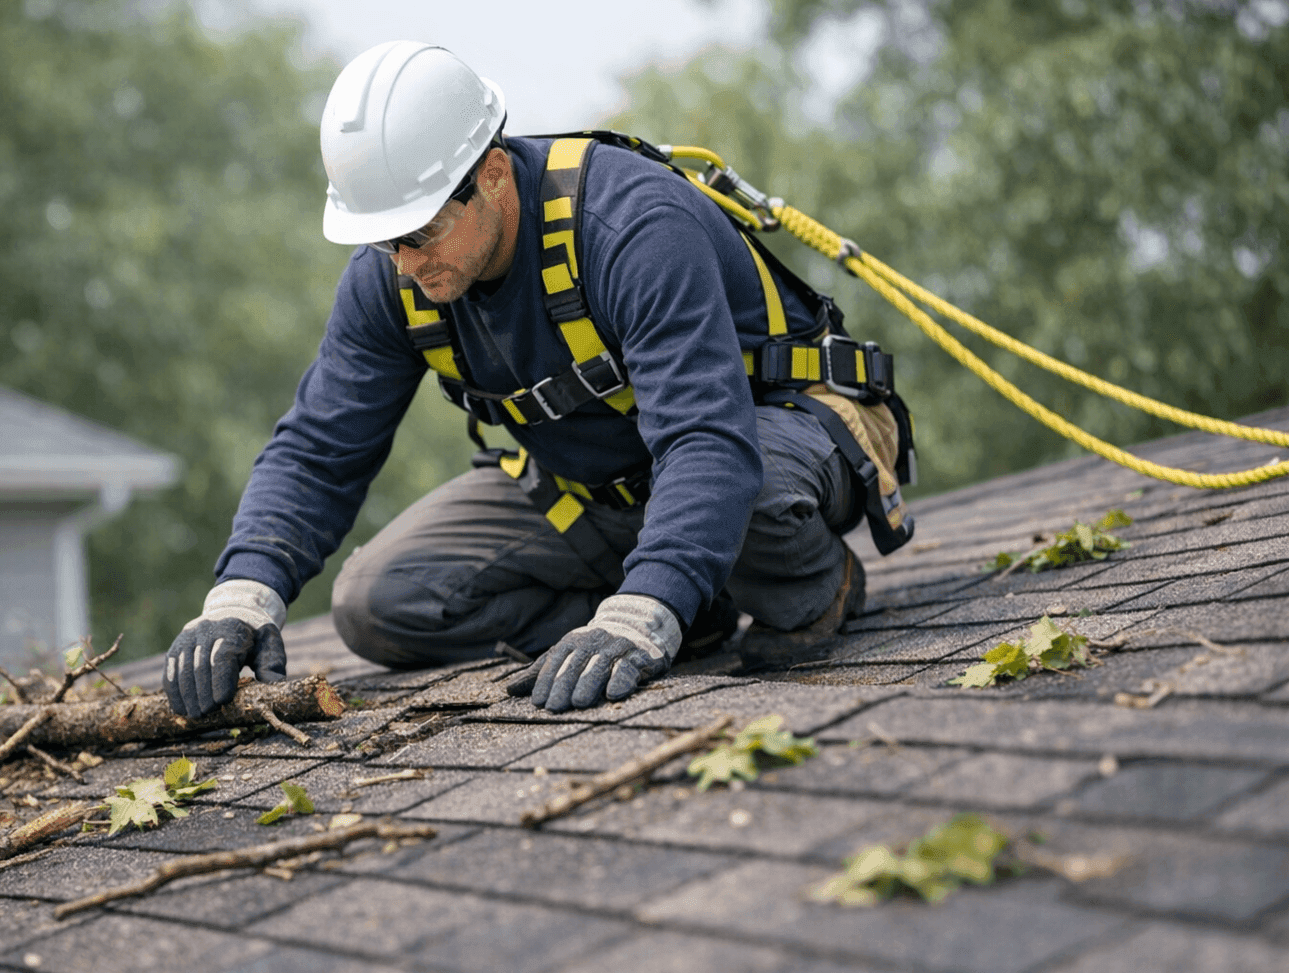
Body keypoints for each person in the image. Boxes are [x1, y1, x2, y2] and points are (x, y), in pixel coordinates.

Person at [163, 40, 910, 720]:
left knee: (744, 498)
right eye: (384, 242)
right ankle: (697, 604)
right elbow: (320, 448)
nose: (408, 266)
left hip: (770, 434)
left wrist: (641, 612)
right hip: (606, 487)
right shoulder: (391, 278)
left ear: (491, 174)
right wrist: (243, 597)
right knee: (377, 603)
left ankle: (807, 589)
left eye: (422, 232)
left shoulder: (632, 227)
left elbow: (706, 439)